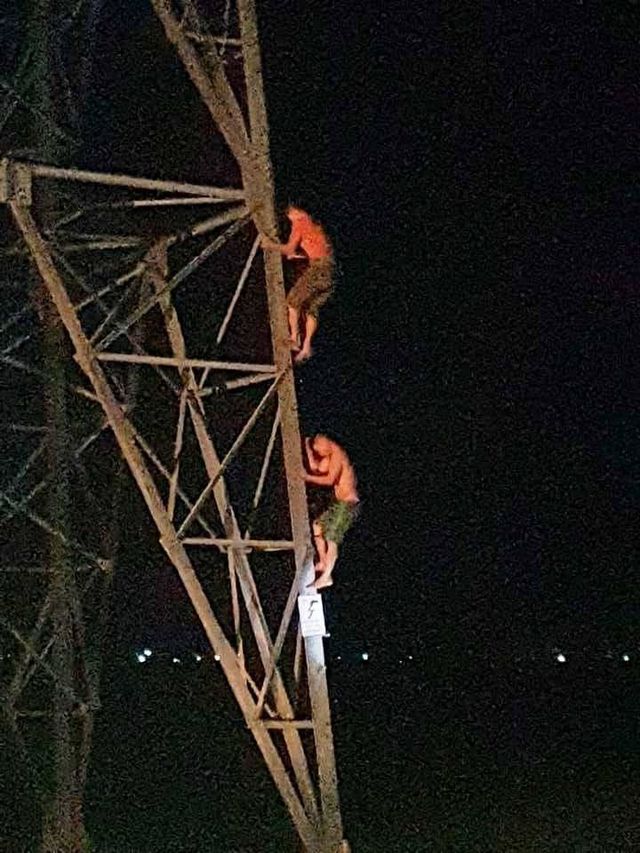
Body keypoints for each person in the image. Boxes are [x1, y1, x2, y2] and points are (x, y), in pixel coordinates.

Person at [261, 205, 334, 363]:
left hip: (319, 268)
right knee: (311, 309)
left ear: (293, 212)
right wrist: (297, 255)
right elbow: (317, 249)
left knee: (292, 302)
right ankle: (306, 346)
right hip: (331, 270)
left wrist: (270, 245)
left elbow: (289, 249)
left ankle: (294, 339)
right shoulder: (314, 224)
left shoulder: (300, 222)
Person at [303, 435, 360, 589]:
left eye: (319, 450)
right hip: (338, 504)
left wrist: (307, 478)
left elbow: (329, 479)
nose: (320, 454)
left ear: (325, 441)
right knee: (317, 525)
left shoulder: (337, 454)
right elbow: (316, 468)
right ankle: (323, 560)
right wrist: (308, 449)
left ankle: (327, 576)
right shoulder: (328, 455)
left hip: (348, 503)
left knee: (331, 537)